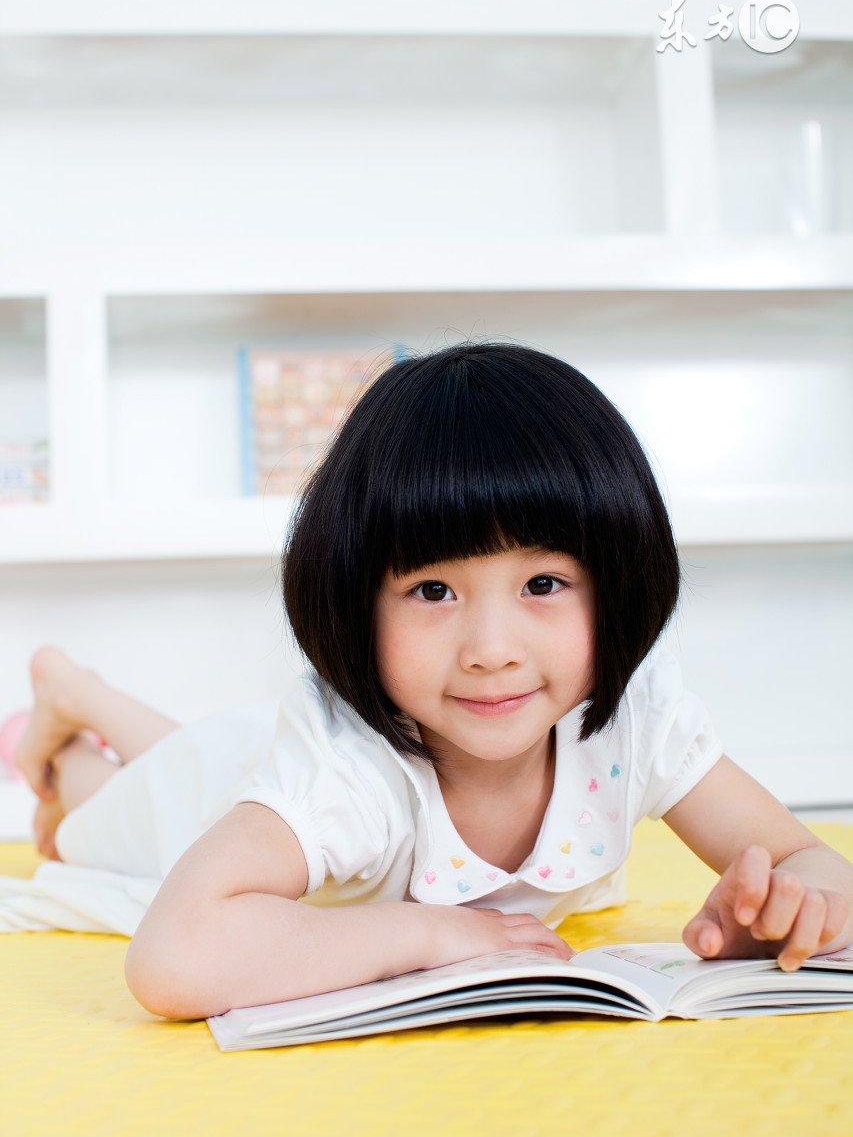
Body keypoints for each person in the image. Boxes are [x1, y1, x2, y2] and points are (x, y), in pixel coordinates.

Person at [15, 343, 853, 1020]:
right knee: (96, 823)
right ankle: (68, 730)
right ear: (354, 597)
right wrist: (424, 934)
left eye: (543, 585)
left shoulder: (633, 714)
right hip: (209, 791)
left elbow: (807, 856)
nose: (491, 649)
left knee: (209, 759)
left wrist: (783, 912)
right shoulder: (347, 770)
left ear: (617, 581)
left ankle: (80, 693)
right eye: (432, 591)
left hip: (249, 771)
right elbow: (171, 959)